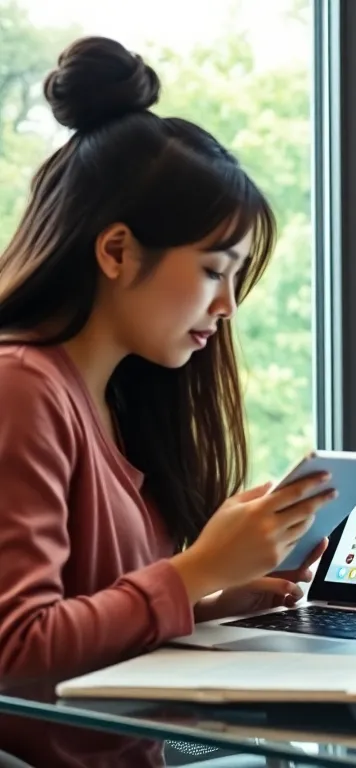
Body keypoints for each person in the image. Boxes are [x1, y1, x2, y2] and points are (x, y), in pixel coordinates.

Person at [0, 37, 333, 767]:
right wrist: (194, 572)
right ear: (117, 252)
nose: (228, 304)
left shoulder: (114, 398)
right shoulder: (20, 389)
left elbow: (85, 618)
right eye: (215, 270)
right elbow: (16, 650)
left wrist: (211, 599)